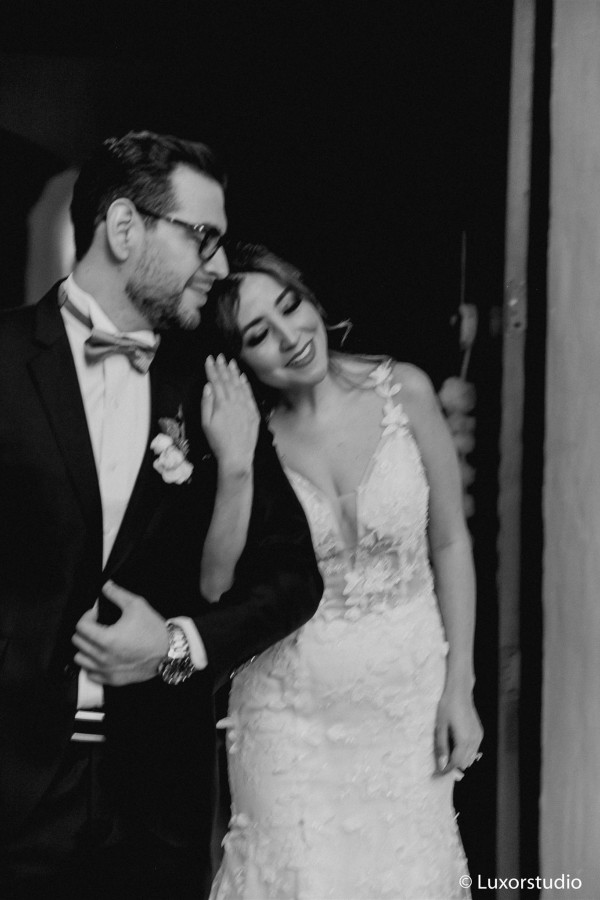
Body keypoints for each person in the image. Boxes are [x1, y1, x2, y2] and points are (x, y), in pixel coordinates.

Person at [0, 135, 322, 900]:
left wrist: (179, 646)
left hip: (157, 803)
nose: (218, 263)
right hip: (12, 792)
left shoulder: (211, 382)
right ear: (123, 228)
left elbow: (292, 576)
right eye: (202, 236)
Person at [203, 243, 484, 900]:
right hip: (285, 710)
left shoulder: (404, 390)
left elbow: (450, 542)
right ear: (239, 360)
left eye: (290, 305)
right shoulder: (250, 436)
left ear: (311, 298)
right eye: (258, 334)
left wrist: (460, 684)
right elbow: (216, 586)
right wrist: (236, 467)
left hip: (406, 700)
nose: (290, 336)